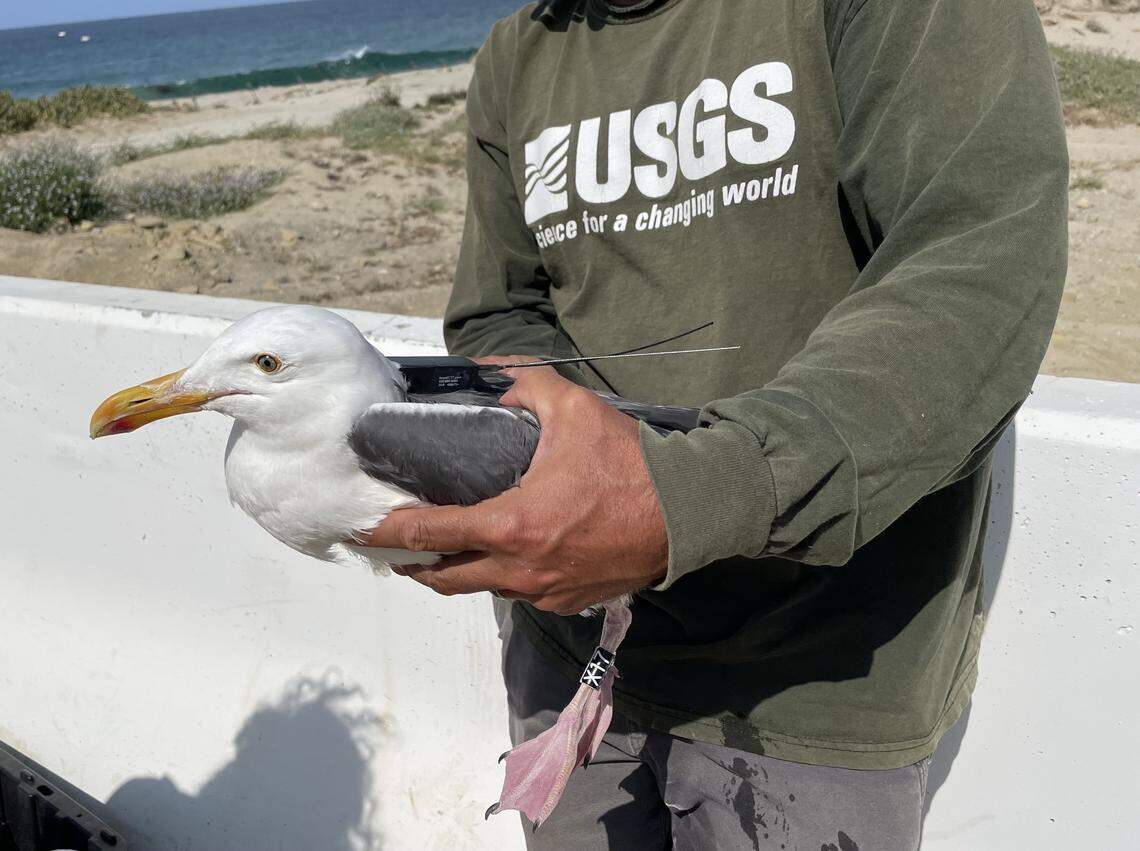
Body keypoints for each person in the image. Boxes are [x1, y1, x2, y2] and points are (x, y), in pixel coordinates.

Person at [363, 0, 1067, 846]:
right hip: (571, 647)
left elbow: (976, 270)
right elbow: (498, 315)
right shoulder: (521, 49)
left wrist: (678, 500)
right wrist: (554, 489)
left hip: (817, 676)